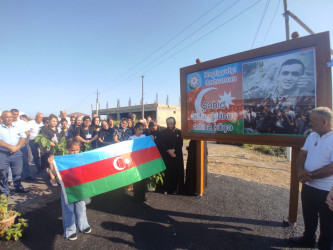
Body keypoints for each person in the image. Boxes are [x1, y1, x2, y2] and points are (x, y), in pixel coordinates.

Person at [290, 107, 333, 249]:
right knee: (309, 217)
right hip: (309, 187)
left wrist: (308, 175)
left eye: (312, 121)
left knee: (327, 224)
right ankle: (308, 238)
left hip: (326, 190)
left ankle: (324, 246)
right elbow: (302, 155)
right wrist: (300, 171)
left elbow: (332, 167)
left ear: (324, 122)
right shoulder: (312, 136)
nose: (309, 123)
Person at [48, 138, 91, 240]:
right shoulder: (62, 160)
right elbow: (55, 173)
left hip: (79, 187)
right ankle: (70, 230)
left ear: (80, 149)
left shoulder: (81, 158)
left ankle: (83, 225)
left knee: (81, 206)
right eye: (72, 150)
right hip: (67, 189)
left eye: (77, 150)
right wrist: (50, 163)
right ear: (67, 149)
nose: (75, 152)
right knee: (68, 209)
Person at [0, 111, 30, 194]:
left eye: (10, 117)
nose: (9, 118)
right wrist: (10, 147)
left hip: (16, 153)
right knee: (3, 173)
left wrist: (16, 147)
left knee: (17, 172)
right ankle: (4, 191)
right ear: (2, 118)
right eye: (7, 117)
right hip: (3, 153)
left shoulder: (17, 127)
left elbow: (23, 137)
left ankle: (18, 187)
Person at [39, 114, 66, 186]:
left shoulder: (60, 129)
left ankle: (58, 178)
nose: (55, 123)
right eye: (53, 121)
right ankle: (53, 179)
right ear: (49, 121)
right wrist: (50, 143)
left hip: (59, 149)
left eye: (56, 121)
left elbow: (63, 138)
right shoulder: (44, 129)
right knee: (50, 164)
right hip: (49, 149)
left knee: (57, 165)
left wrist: (60, 144)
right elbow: (43, 139)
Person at [161, 117, 184, 195]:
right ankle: (166, 188)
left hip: (176, 156)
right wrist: (168, 151)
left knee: (176, 172)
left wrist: (174, 150)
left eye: (171, 123)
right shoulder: (164, 132)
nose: (170, 125)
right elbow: (162, 143)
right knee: (168, 172)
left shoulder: (179, 132)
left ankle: (175, 189)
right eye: (168, 124)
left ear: (174, 123)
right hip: (167, 155)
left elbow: (180, 143)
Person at [129, 122, 149, 202]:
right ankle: (136, 195)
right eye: (139, 129)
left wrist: (152, 138)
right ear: (135, 129)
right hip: (135, 161)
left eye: (142, 129)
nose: (141, 131)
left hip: (143, 161)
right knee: (136, 179)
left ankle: (143, 195)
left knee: (143, 179)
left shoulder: (144, 137)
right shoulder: (131, 138)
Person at [11, 109, 32, 181]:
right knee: (12, 162)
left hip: (22, 145)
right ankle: (10, 179)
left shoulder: (22, 123)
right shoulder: (8, 123)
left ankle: (27, 175)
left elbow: (27, 132)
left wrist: (21, 141)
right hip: (11, 145)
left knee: (25, 160)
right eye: (14, 114)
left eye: (17, 114)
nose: (15, 116)